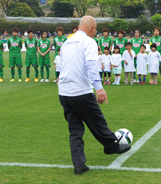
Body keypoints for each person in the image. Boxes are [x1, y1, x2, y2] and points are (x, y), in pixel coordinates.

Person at [58, 16, 131, 175]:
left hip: (64, 93)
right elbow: (91, 65)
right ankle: (111, 146)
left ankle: (79, 164)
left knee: (75, 129)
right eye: (96, 29)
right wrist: (99, 88)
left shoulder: (66, 43)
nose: (95, 31)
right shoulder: (89, 42)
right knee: (97, 121)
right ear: (92, 29)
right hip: (80, 91)